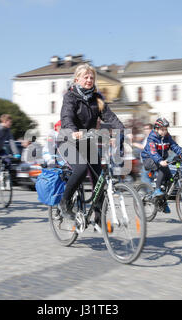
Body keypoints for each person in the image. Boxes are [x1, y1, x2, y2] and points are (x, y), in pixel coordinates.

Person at [59, 64, 124, 228]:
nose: (89, 80)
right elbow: (66, 117)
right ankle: (65, 203)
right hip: (68, 140)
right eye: (86, 77)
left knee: (100, 178)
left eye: (91, 77)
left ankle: (98, 218)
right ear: (77, 79)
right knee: (81, 168)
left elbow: (110, 117)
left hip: (87, 142)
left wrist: (120, 130)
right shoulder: (70, 97)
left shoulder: (97, 98)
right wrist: (74, 131)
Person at [141, 117, 182, 213]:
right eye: (162, 130)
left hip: (160, 160)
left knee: (169, 180)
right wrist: (160, 161)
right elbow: (153, 152)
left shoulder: (167, 137)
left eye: (166, 129)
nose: (164, 131)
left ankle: (163, 203)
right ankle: (157, 190)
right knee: (163, 167)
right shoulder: (152, 137)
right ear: (156, 129)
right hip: (149, 159)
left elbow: (176, 147)